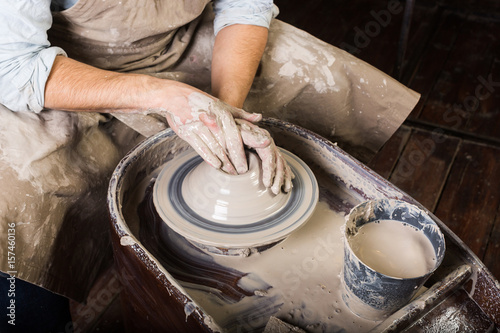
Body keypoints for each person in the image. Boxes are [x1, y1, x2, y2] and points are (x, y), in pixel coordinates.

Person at [0, 0, 420, 329]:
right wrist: (162, 97)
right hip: (60, 75)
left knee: (318, 75)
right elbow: (13, 66)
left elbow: (244, 6)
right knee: (17, 204)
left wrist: (225, 112)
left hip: (177, 46)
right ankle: (34, 320)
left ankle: (338, 234)